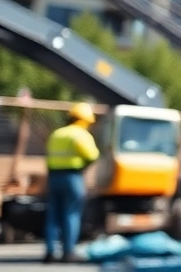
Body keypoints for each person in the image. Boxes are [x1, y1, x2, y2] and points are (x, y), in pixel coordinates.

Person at [44, 102, 99, 264]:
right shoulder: (80, 135)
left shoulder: (56, 134)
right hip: (73, 177)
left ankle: (50, 253)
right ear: (85, 120)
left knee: (53, 215)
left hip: (54, 177)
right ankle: (68, 252)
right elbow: (92, 156)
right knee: (71, 214)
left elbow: (49, 156)